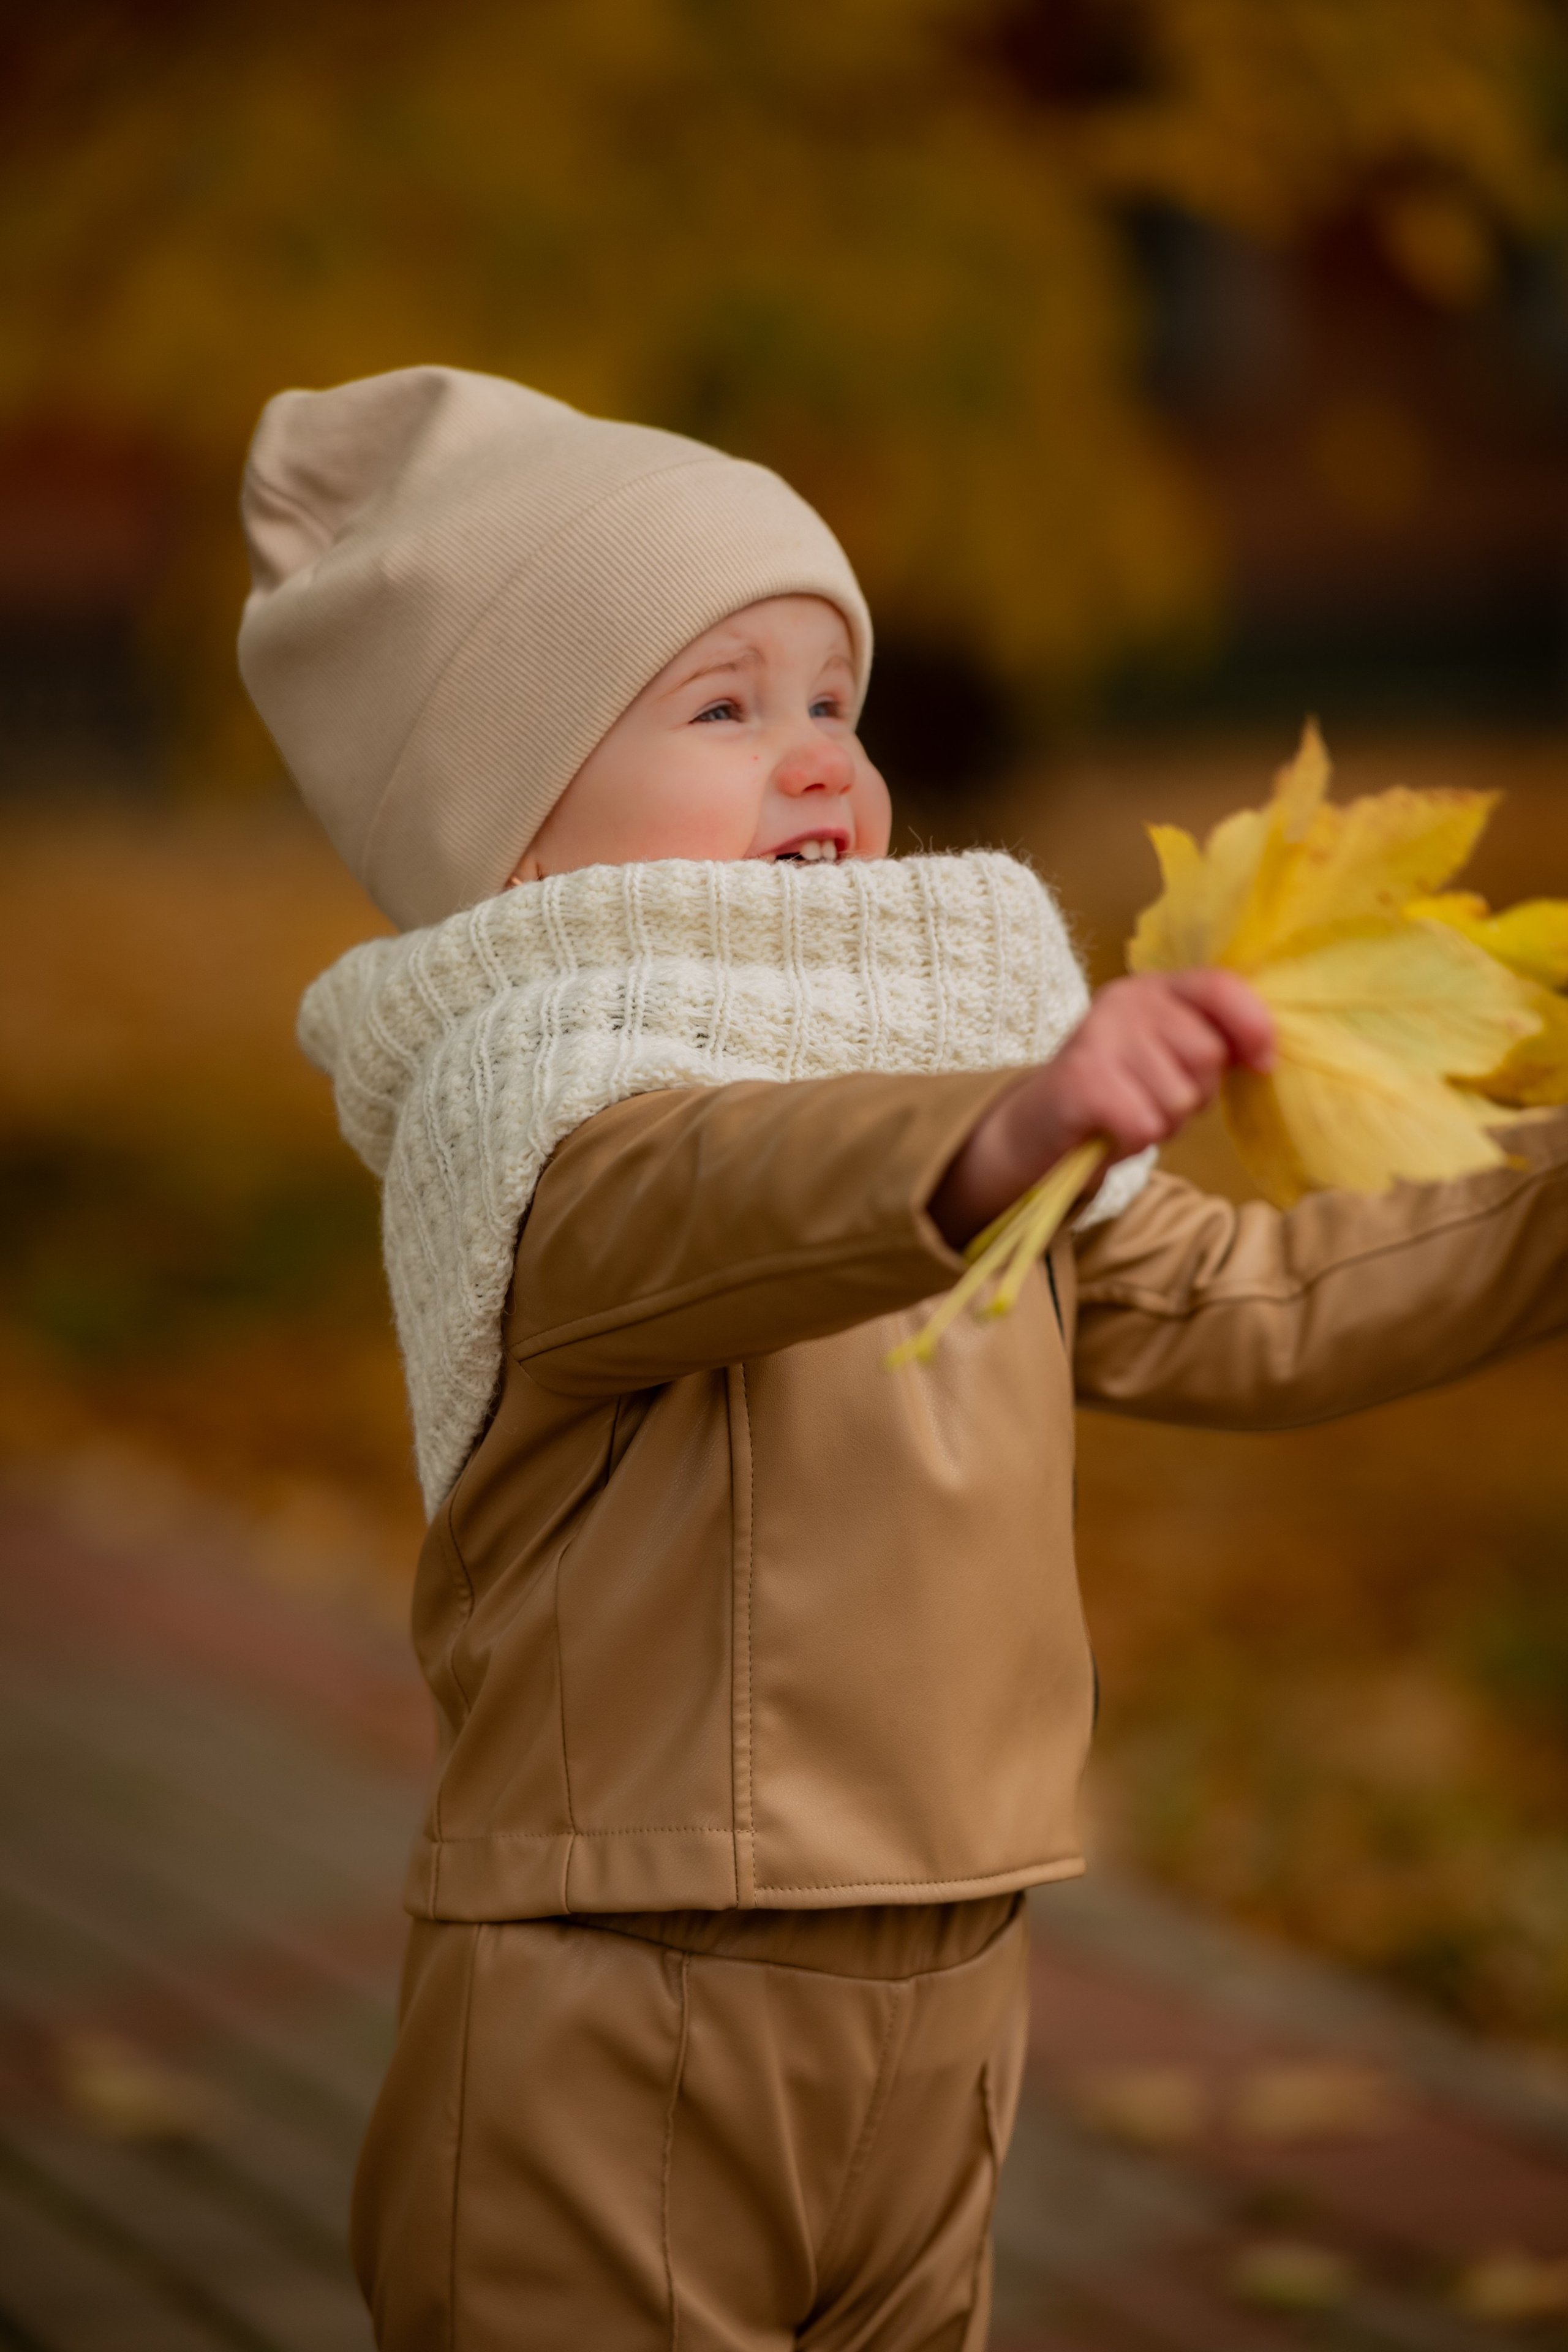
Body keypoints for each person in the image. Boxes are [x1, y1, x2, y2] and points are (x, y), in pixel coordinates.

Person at [239, 365, 1568, 2351]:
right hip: (623, 1983)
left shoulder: (940, 1096)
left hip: (955, 1956)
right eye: (724, 706)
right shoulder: (530, 1112)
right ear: (514, 834)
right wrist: (1001, 1131)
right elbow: (709, 1199)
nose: (818, 761)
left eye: (834, 702)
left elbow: (1244, 1301)